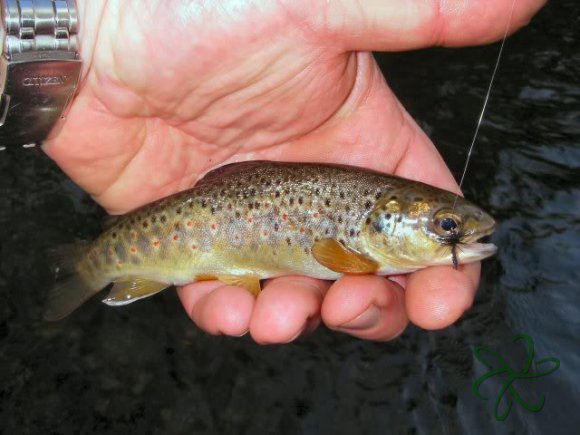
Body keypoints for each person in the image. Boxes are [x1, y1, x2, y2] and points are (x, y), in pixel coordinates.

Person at [44, 0, 545, 343]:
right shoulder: (358, 255)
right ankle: (94, 265)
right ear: (384, 219)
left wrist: (90, 26)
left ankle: (94, 265)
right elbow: (332, 256)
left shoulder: (366, 245)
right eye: (447, 226)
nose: (457, 233)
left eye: (447, 228)